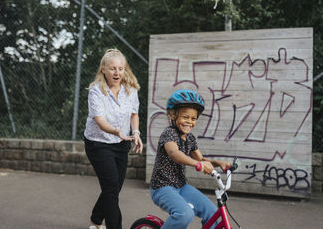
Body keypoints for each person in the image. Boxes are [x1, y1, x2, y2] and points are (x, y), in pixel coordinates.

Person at [149, 89, 231, 229]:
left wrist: (218, 163)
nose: (189, 122)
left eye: (193, 119)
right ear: (173, 115)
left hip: (181, 186)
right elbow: (175, 153)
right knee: (184, 214)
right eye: (185, 117)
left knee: (212, 212)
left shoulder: (190, 139)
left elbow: (201, 159)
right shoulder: (169, 134)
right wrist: (197, 164)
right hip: (162, 187)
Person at [84, 49, 143, 229]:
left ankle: (96, 218)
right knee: (111, 189)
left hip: (121, 143)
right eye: (112, 69)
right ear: (103, 69)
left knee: (115, 186)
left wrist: (136, 133)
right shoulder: (96, 91)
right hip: (98, 143)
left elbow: (134, 114)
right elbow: (100, 122)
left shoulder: (131, 90)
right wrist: (117, 131)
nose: (117, 73)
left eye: (120, 68)